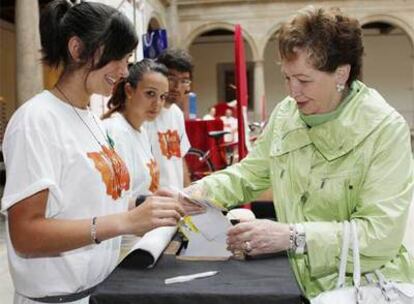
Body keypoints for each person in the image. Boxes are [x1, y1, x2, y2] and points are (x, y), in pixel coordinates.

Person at [187, 6, 414, 300]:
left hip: (365, 285)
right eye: (287, 78)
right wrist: (197, 192)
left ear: (341, 73)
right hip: (303, 283)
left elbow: (379, 236)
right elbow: (249, 173)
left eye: (304, 80)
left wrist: (292, 236)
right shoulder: (286, 115)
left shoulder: (384, 129)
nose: (293, 91)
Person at [0, 1, 187, 303]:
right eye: (119, 58)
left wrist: (146, 205)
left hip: (99, 290)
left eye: (128, 60)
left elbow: (89, 201)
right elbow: (25, 234)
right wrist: (125, 223)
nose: (125, 71)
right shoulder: (37, 120)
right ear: (78, 49)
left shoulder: (89, 118)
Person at [102, 59, 168, 200]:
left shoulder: (141, 131)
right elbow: (116, 200)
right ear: (129, 91)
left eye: (162, 97)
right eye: (150, 93)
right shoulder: (115, 132)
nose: (157, 103)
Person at [145, 49, 193, 189]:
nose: (177, 87)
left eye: (184, 81)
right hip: (153, 202)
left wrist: (187, 194)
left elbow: (180, 158)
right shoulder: (146, 115)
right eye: (172, 79)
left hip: (174, 202)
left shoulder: (177, 114)